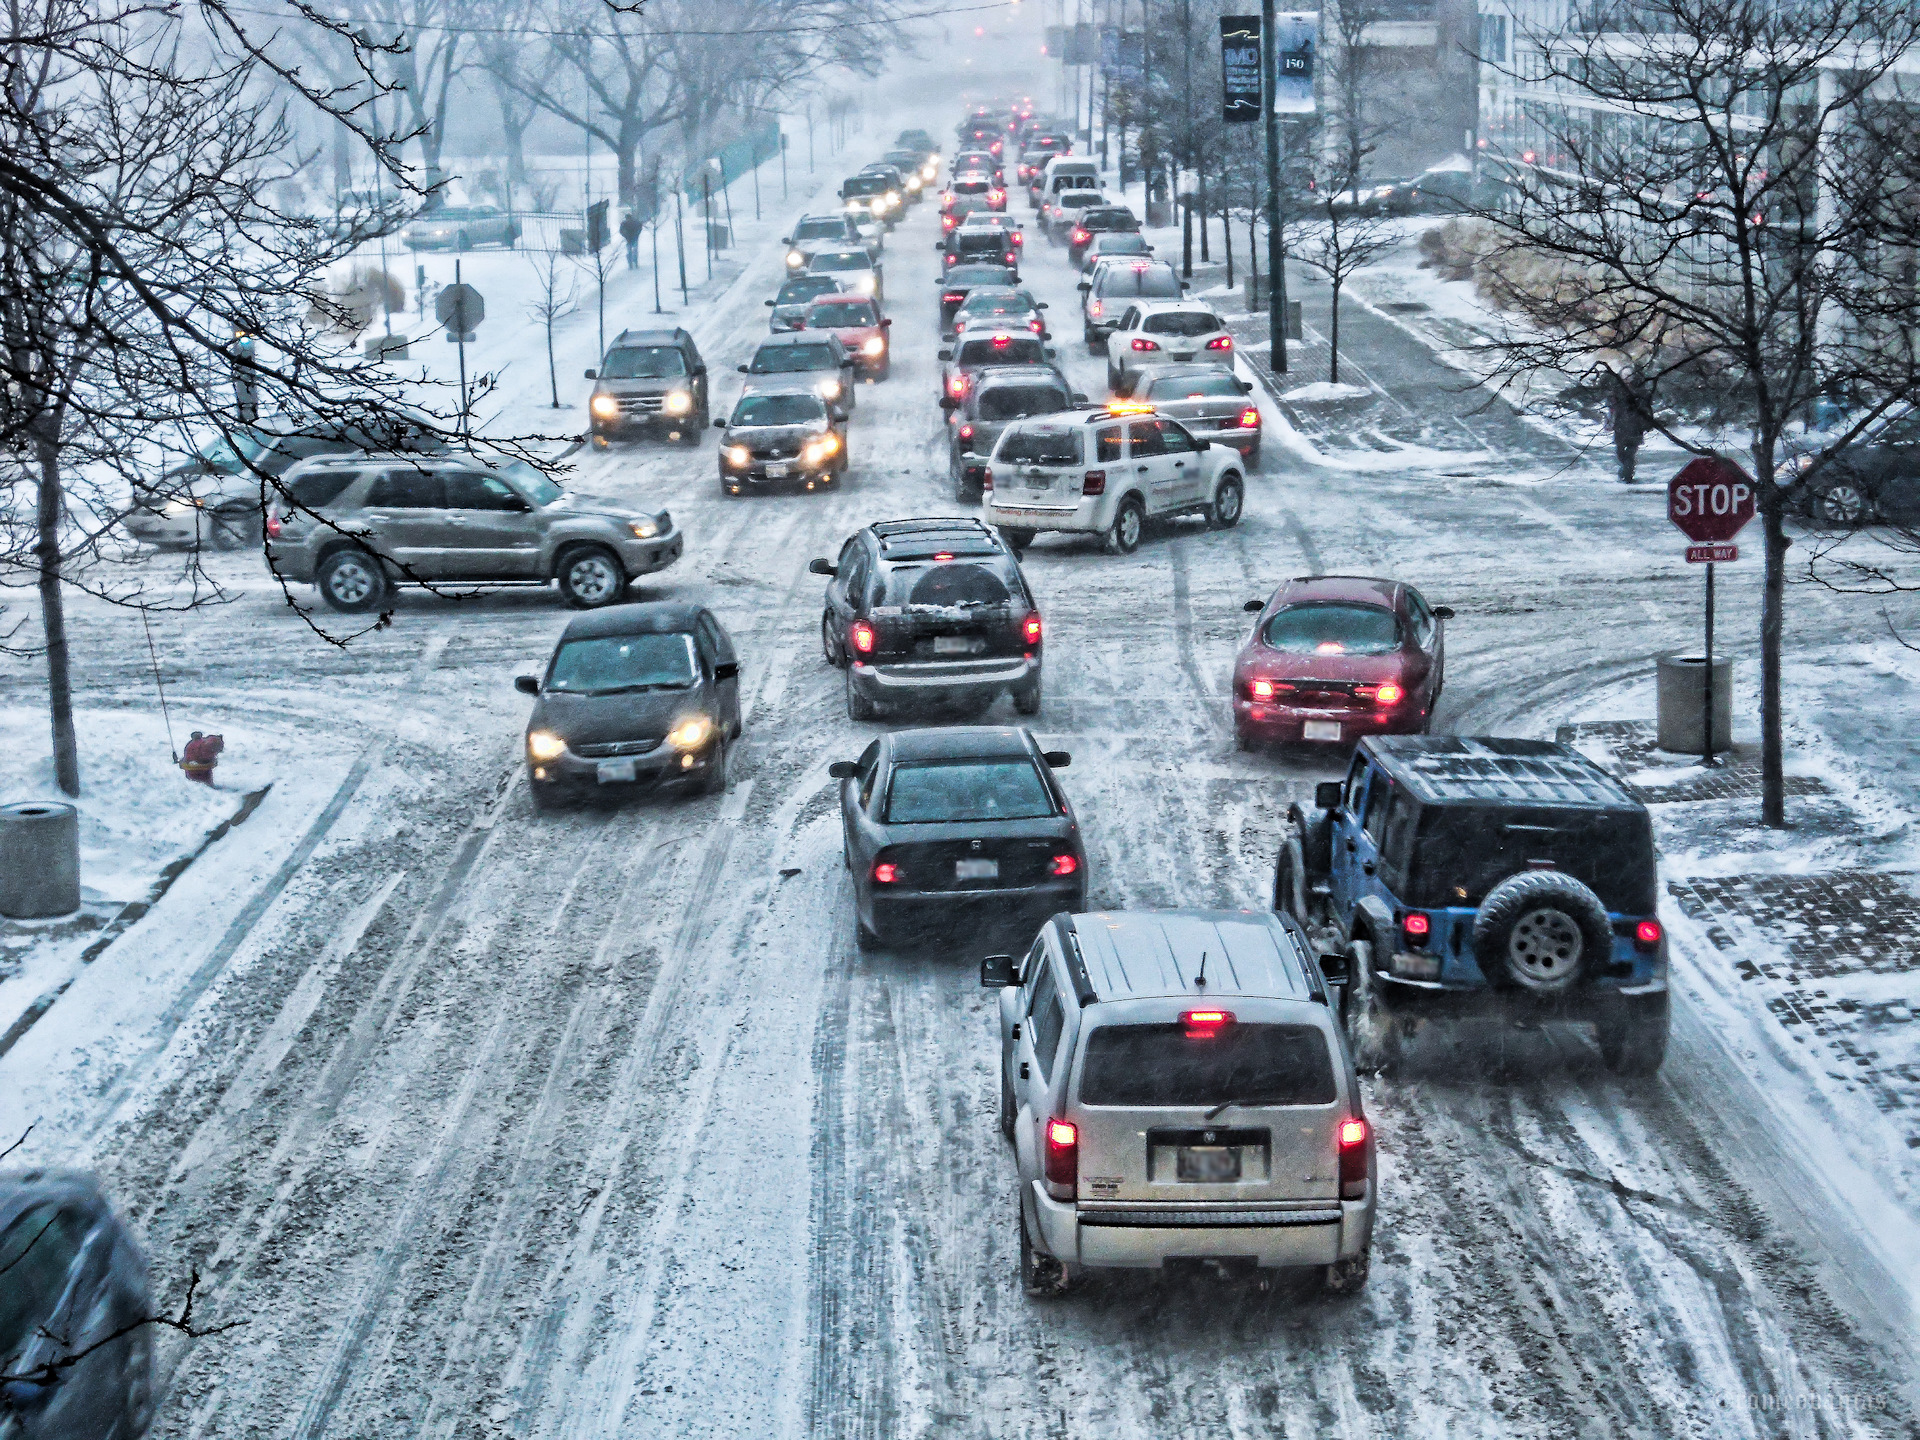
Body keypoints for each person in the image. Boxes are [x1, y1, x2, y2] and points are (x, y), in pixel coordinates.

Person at [1607, 363, 1651, 484]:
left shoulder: (1641, 392)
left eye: (1629, 377)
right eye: (1625, 377)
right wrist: (1609, 422)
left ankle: (1627, 474)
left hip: (1635, 427)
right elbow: (1612, 409)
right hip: (1620, 427)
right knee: (1620, 452)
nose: (1627, 379)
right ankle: (1625, 471)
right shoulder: (1616, 392)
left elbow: (1646, 409)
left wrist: (1645, 424)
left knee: (1630, 453)